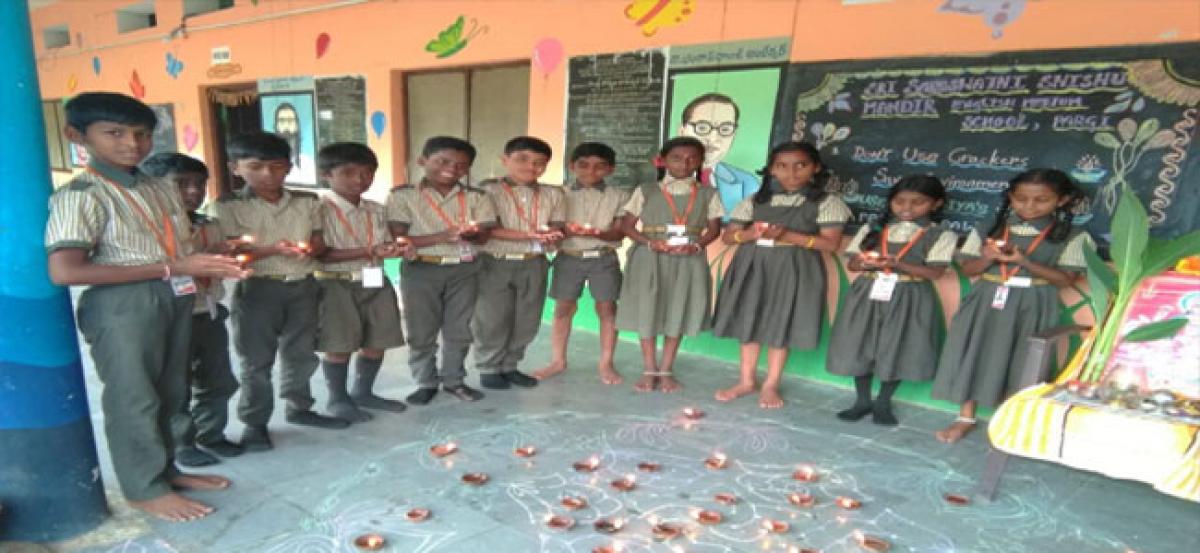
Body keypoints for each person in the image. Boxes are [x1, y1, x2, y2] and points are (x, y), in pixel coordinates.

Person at [46, 92, 247, 521]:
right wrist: (174, 265)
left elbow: (178, 243)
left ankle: (166, 469)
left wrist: (216, 255)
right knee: (134, 396)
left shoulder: (158, 188)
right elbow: (65, 271)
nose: (131, 143)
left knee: (172, 391)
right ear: (76, 136)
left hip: (174, 294)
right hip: (123, 305)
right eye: (114, 133)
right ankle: (143, 487)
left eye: (141, 133)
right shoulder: (82, 194)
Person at [932, 169, 1094, 443]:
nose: (1029, 206)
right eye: (1021, 199)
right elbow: (969, 269)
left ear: (1062, 200)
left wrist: (1026, 262)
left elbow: (1066, 280)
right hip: (986, 296)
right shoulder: (990, 228)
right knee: (973, 352)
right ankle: (965, 417)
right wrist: (986, 258)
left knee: (1022, 359)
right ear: (1011, 197)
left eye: (1041, 200)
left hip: (1033, 301)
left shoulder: (1073, 235)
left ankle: (1010, 420)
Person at [213, 132, 348, 453]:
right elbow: (230, 254)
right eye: (256, 167)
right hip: (258, 289)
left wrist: (312, 249)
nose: (268, 175)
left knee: (300, 354)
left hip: (303, 285)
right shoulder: (228, 205)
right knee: (256, 360)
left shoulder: (306, 200)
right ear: (235, 167)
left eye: (277, 167)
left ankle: (299, 407)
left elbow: (318, 240)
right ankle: (255, 422)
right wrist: (273, 249)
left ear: (289, 167)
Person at [711, 142, 851, 408]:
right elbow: (729, 237)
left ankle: (771, 383)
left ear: (815, 168)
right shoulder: (755, 200)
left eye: (801, 165)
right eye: (782, 166)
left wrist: (788, 235)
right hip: (753, 266)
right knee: (748, 320)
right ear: (772, 170)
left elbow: (830, 244)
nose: (791, 173)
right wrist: (750, 234)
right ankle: (746, 380)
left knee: (781, 325)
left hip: (795, 269)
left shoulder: (826, 203)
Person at [826, 175, 957, 425]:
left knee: (897, 347)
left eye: (917, 203)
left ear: (936, 204)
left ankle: (883, 402)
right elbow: (853, 264)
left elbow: (935, 273)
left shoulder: (941, 235)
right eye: (899, 202)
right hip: (867, 292)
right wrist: (863, 262)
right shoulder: (873, 229)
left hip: (910, 295)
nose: (907, 208)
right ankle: (862, 400)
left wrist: (899, 264)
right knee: (859, 345)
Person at [141, 152, 243, 467]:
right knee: (176, 384)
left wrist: (225, 259)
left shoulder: (209, 225)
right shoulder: (146, 230)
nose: (193, 192)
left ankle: (210, 434)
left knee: (219, 380)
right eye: (180, 184)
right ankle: (181, 443)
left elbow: (217, 266)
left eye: (199, 184)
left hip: (207, 310)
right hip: (169, 315)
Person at [387, 136, 495, 404]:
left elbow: (483, 237)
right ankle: (425, 381)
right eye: (442, 161)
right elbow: (399, 237)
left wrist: (471, 234)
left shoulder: (477, 197)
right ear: (423, 161)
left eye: (461, 165)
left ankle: (454, 380)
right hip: (422, 269)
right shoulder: (403, 195)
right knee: (421, 329)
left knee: (459, 329)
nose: (451, 168)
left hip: (465, 269)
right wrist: (443, 236)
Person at [314, 143, 413, 422]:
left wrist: (396, 248)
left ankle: (363, 391)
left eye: (367, 173)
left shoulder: (376, 209)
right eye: (348, 172)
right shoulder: (317, 208)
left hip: (374, 280)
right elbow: (319, 254)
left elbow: (386, 242)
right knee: (339, 343)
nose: (360, 180)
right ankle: (337, 398)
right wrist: (369, 251)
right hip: (335, 283)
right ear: (326, 174)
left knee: (377, 339)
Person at [616, 136, 723, 393]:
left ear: (701, 161)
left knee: (679, 308)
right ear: (662, 160)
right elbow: (627, 226)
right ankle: (649, 368)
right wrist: (651, 243)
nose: (684, 164)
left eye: (692, 158)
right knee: (648, 309)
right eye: (676, 158)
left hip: (689, 258)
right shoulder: (646, 190)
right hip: (649, 257)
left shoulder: (709, 193)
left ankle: (666, 370)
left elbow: (714, 229)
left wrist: (697, 246)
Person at [472, 136, 566, 390]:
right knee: (491, 318)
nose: (530, 167)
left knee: (527, 318)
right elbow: (487, 228)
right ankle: (489, 367)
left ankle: (510, 365)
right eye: (522, 160)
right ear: (505, 160)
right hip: (494, 262)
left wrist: (553, 238)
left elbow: (558, 225)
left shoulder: (552, 193)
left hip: (533, 262)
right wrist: (530, 235)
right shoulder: (486, 191)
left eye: (539, 163)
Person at [533, 142, 630, 384]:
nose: (591, 171)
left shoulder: (619, 196)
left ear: (611, 169)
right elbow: (550, 227)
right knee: (563, 308)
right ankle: (558, 361)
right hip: (568, 258)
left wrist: (597, 234)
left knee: (607, 309)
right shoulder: (557, 194)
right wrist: (562, 231)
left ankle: (606, 363)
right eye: (584, 165)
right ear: (572, 166)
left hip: (603, 257)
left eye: (599, 167)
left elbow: (619, 234)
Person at [678, 93, 761, 217]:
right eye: (702, 127)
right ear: (682, 131)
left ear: (734, 135)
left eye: (725, 129)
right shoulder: (651, 181)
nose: (713, 138)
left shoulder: (748, 184)